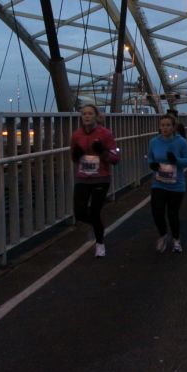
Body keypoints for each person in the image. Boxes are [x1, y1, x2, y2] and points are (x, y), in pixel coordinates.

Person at [70, 104, 119, 258]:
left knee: (95, 211)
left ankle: (100, 244)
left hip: (101, 179)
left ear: (96, 116)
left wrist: (102, 152)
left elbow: (115, 159)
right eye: (84, 113)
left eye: (90, 113)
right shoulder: (76, 135)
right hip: (83, 178)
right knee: (79, 213)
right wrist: (77, 155)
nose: (87, 116)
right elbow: (73, 158)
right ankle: (98, 226)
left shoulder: (105, 134)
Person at [148, 114, 187, 252]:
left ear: (173, 127)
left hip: (176, 185)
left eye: (168, 125)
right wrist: (152, 165)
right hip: (158, 183)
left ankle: (176, 240)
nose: (165, 128)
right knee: (157, 212)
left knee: (172, 214)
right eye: (162, 125)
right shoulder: (154, 142)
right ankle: (163, 235)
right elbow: (150, 158)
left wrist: (176, 160)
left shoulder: (181, 142)